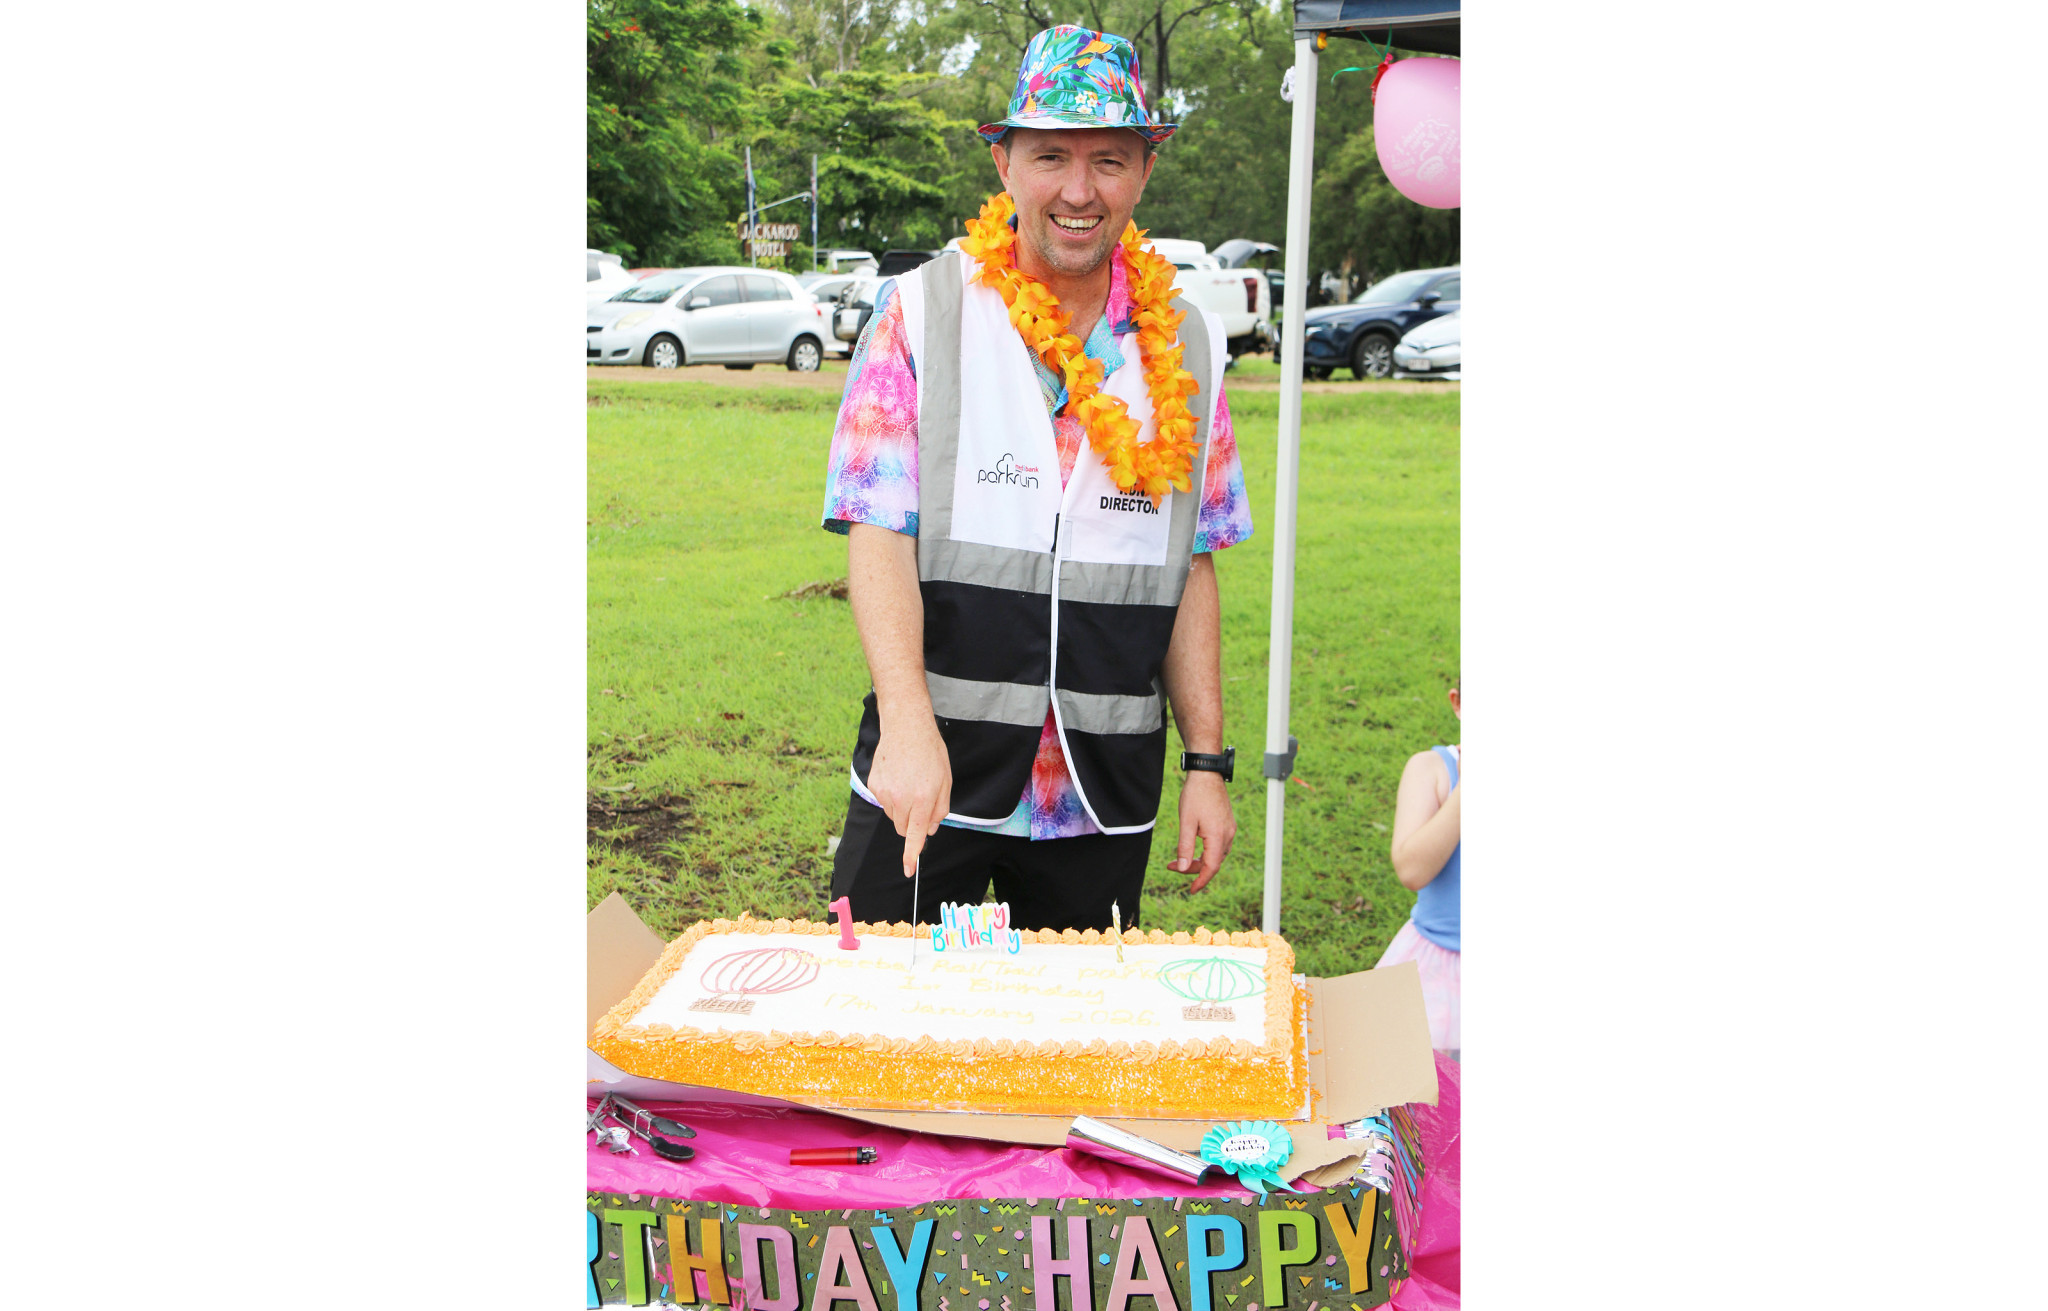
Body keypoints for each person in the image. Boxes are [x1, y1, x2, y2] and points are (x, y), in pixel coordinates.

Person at [819, 25, 1256, 932]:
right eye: (1051, 154)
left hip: (1101, 789)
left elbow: (1193, 564)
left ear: (1145, 171)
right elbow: (877, 529)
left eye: (1110, 159)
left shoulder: (1191, 345)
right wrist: (906, 722)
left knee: (1072, 1059)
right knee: (872, 1045)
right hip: (932, 767)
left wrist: (1207, 763)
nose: (1078, 190)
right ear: (1005, 161)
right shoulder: (924, 313)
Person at [1378, 684, 1461, 1060]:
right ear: (1458, 704)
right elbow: (1412, 870)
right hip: (1441, 974)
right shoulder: (1433, 770)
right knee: (1430, 1105)